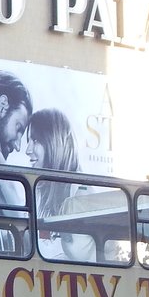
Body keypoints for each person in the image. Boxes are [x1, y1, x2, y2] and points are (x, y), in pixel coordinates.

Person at [26, 108, 94, 262]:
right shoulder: (40, 190)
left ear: (53, 141)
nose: (27, 150)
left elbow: (81, 258)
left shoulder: (81, 194)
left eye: (35, 141)